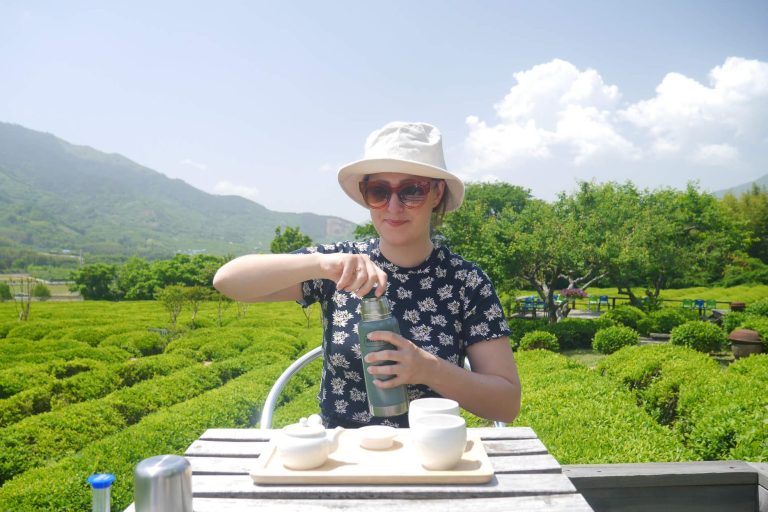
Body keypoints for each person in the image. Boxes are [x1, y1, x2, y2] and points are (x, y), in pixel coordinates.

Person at [213, 121, 521, 428]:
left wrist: (427, 369)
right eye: (379, 191)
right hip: (343, 458)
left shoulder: (465, 282)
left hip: (428, 458)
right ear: (366, 195)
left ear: (437, 193)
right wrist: (320, 265)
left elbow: (506, 404)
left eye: (412, 190)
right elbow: (228, 281)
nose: (394, 206)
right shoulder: (340, 265)